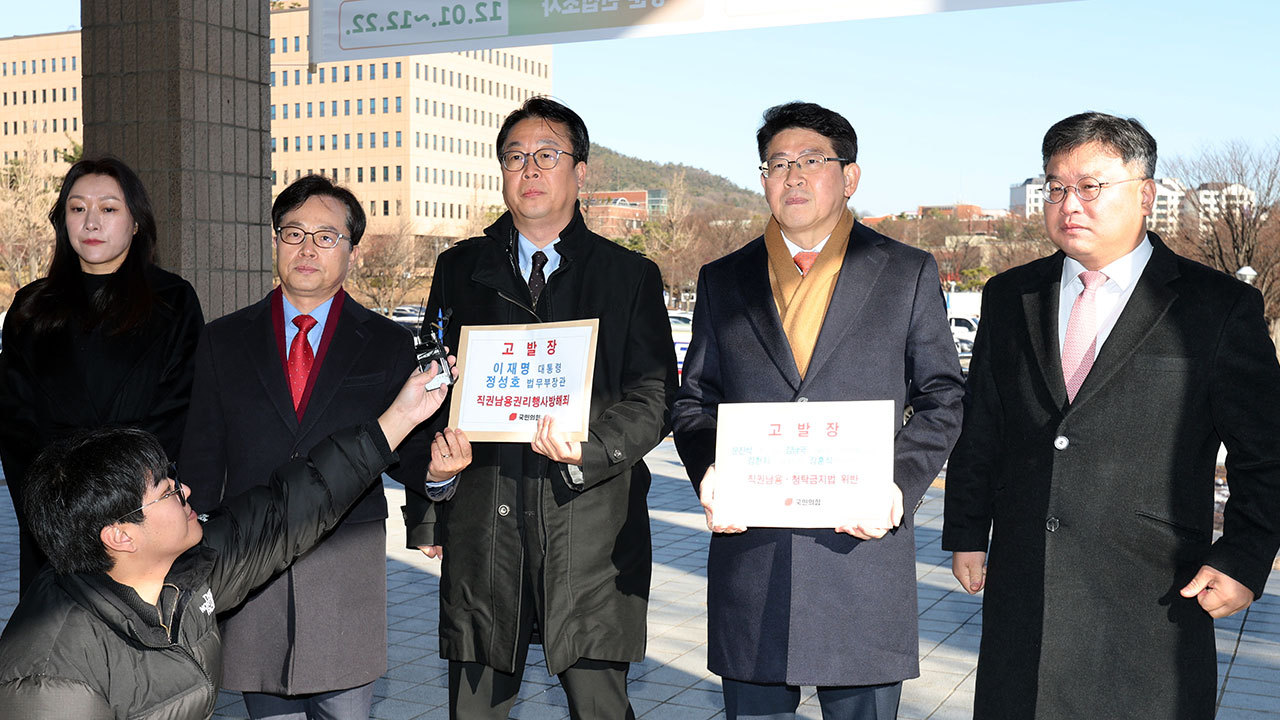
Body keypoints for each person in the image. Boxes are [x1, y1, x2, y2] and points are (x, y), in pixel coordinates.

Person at [943, 112, 1280, 719]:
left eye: (1091, 186)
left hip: (1152, 595)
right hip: (1026, 589)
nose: (1069, 203)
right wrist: (967, 530)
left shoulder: (1217, 306)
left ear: (1146, 194)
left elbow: (1269, 451)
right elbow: (983, 425)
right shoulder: (1009, 295)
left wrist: (1245, 558)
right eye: (1055, 187)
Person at [671, 101, 965, 719]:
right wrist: (708, 470)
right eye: (777, 164)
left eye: (812, 161)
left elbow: (942, 397)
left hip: (860, 550)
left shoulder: (905, 271)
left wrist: (896, 480)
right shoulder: (725, 278)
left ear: (850, 176)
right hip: (754, 552)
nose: (793, 177)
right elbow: (695, 399)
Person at [405, 96, 677, 718]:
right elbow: (428, 386)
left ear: (581, 171)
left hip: (588, 524)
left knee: (599, 706)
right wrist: (431, 500)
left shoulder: (628, 276)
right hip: (483, 524)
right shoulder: (458, 270)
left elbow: (655, 393)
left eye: (547, 155)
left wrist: (595, 447)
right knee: (475, 708)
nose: (529, 169)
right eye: (515, 157)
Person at [0, 363, 453, 720]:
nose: (187, 492)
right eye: (167, 491)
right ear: (120, 535)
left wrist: (400, 417)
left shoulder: (185, 571)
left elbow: (289, 509)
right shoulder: (49, 679)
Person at [178, 174, 466, 719]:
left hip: (342, 564)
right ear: (276, 243)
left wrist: (439, 476)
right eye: (293, 233)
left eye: (327, 236)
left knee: (345, 710)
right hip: (251, 556)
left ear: (351, 251)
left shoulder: (386, 342)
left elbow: (407, 452)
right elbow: (201, 456)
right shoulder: (222, 339)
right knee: (267, 710)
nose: (308, 248)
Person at [0, 156, 204, 596]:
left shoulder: (172, 302)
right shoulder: (30, 308)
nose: (91, 221)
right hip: (55, 522)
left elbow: (177, 412)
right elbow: (15, 426)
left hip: (137, 521)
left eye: (108, 209)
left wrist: (116, 501)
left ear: (135, 222)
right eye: (77, 208)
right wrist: (61, 509)